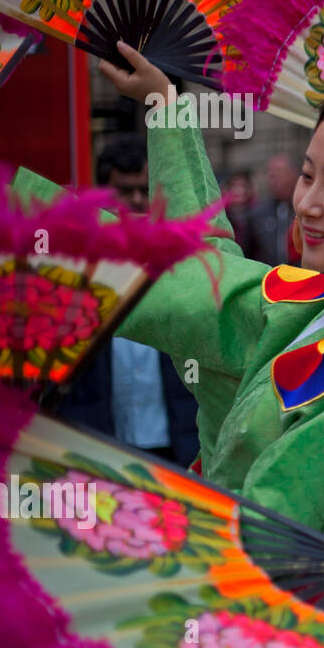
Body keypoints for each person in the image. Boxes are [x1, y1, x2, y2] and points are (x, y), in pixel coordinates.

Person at [64, 41, 324, 535]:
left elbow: (273, 528)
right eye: (307, 175)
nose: (307, 203)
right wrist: (166, 107)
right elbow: (207, 272)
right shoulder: (322, 300)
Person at [54, 136, 201, 468]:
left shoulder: (182, 261)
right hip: (102, 444)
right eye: (125, 190)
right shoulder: (76, 263)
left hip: (174, 446)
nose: (137, 200)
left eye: (145, 190)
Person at [249, 154, 300, 266]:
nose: (272, 179)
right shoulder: (258, 215)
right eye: (270, 174)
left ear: (293, 175)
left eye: (278, 173)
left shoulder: (306, 211)